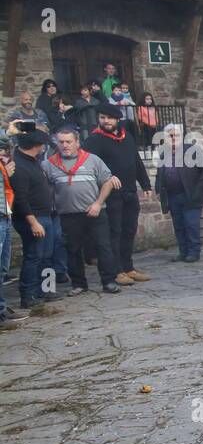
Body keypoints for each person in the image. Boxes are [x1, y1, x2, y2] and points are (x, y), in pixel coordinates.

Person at [42, 126, 121, 295]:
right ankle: (79, 284)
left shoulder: (92, 160)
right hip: (68, 215)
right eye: (61, 142)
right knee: (72, 250)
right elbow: (45, 188)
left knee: (103, 247)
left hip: (95, 212)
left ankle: (109, 282)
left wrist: (98, 204)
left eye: (69, 142)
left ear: (77, 142)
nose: (65, 145)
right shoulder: (48, 165)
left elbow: (107, 182)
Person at [84, 102, 152, 284]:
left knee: (129, 230)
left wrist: (145, 184)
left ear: (117, 119)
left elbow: (136, 161)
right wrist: (107, 176)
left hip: (129, 191)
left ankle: (128, 267)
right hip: (110, 195)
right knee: (114, 232)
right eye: (102, 118)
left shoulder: (127, 136)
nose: (106, 121)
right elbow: (88, 165)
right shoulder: (94, 140)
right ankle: (116, 271)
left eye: (109, 118)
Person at [7, 129, 59, 312]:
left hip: (45, 215)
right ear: (37, 146)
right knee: (34, 256)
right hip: (33, 217)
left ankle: (46, 289)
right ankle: (28, 295)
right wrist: (33, 222)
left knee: (46, 255)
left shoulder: (32, 161)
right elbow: (21, 199)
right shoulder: (20, 166)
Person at [155, 123, 203, 263]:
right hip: (173, 196)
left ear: (182, 136)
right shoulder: (164, 154)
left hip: (191, 195)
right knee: (179, 226)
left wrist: (198, 189)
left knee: (191, 225)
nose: (173, 137)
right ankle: (183, 252)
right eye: (170, 135)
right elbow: (159, 174)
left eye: (176, 135)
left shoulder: (193, 151)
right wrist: (158, 189)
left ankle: (194, 252)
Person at [0, 138, 27, 323]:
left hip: (4, 216)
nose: (4, 155)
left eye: (5, 151)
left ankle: (1, 308)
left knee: (3, 268)